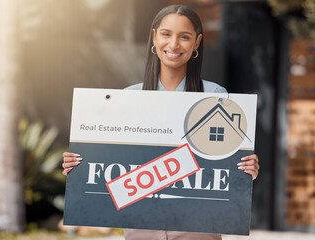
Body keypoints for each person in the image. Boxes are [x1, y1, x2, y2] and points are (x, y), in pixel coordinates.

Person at [62, 4, 259, 240]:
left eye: (184, 37)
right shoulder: (127, 98)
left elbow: (225, 163)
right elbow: (109, 165)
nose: (174, 45)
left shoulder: (215, 96)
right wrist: (79, 165)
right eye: (166, 34)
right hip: (141, 224)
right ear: (154, 37)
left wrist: (246, 167)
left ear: (196, 42)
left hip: (198, 225)